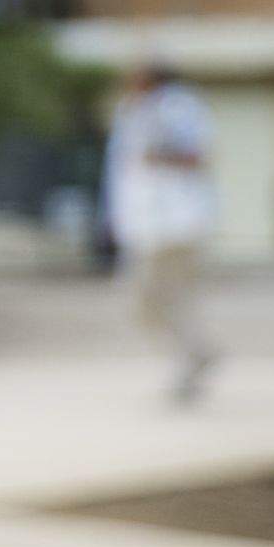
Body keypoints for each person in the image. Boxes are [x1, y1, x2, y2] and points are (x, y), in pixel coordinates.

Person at [103, 53, 222, 405]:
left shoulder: (178, 107)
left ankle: (192, 358)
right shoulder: (131, 110)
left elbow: (197, 155)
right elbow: (121, 174)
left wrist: (159, 156)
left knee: (151, 297)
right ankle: (195, 354)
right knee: (154, 301)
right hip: (146, 225)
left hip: (176, 224)